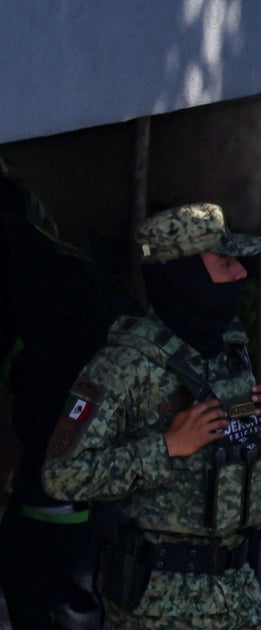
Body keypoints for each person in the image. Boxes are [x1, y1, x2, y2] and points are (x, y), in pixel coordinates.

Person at [42, 203, 261, 629]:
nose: (240, 273)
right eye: (224, 263)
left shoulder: (228, 350)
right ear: (185, 277)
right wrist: (167, 447)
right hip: (159, 603)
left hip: (237, 588)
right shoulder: (123, 366)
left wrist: (260, 421)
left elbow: (224, 455)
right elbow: (62, 475)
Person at [0, 166, 118, 628]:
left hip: (64, 470)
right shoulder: (57, 263)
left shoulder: (30, 275)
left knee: (54, 582)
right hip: (75, 465)